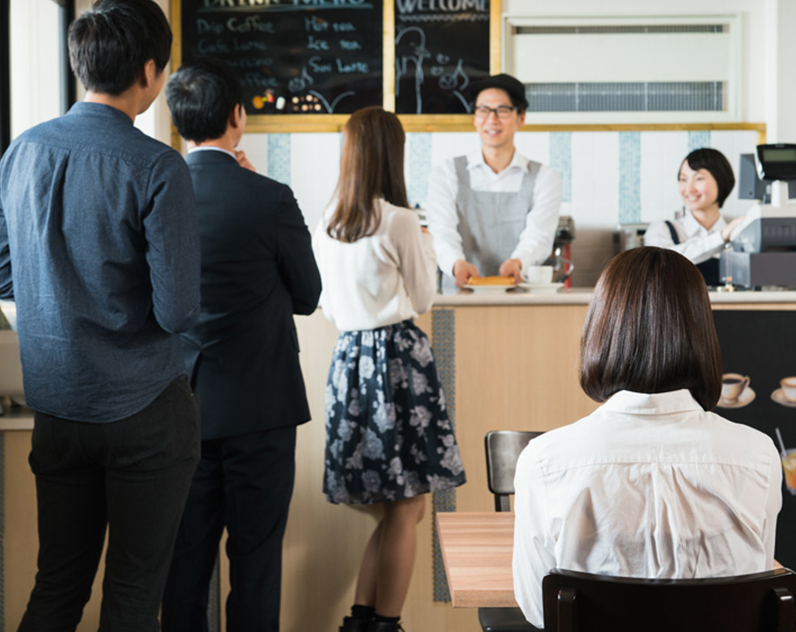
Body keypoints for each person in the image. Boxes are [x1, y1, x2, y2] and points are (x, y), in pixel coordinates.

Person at [0, 0, 202, 631]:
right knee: (133, 596)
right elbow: (177, 310)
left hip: (56, 405)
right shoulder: (158, 166)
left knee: (56, 586)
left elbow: (3, 275)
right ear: (148, 72)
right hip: (144, 408)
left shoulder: (21, 151)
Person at [511, 247, 782, 629]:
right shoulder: (759, 456)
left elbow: (539, 610)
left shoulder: (544, 460)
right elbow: (753, 581)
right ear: (701, 334)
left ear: (600, 331)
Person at [160, 56, 322, 632]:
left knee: (184, 563)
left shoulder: (155, 193)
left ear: (179, 121)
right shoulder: (269, 197)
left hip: (179, 406)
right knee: (256, 560)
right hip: (262, 408)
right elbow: (307, 295)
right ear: (238, 117)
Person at [314, 107, 467, 632]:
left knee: (398, 507)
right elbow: (424, 296)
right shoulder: (399, 220)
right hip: (397, 361)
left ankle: (362, 621)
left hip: (349, 362)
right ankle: (386, 625)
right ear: (392, 154)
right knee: (406, 508)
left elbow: (328, 307)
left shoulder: (328, 220)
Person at [427, 73, 562, 288]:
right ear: (474, 118)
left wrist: (519, 262)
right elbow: (442, 231)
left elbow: (539, 235)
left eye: (502, 110)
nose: (492, 119)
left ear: (521, 118)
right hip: (460, 294)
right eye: (483, 110)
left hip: (520, 293)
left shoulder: (545, 178)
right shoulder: (446, 172)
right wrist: (457, 263)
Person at [643, 148, 744, 287]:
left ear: (721, 180)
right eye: (683, 179)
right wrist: (721, 237)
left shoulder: (739, 235)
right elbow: (665, 264)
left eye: (699, 178)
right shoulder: (661, 230)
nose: (689, 189)